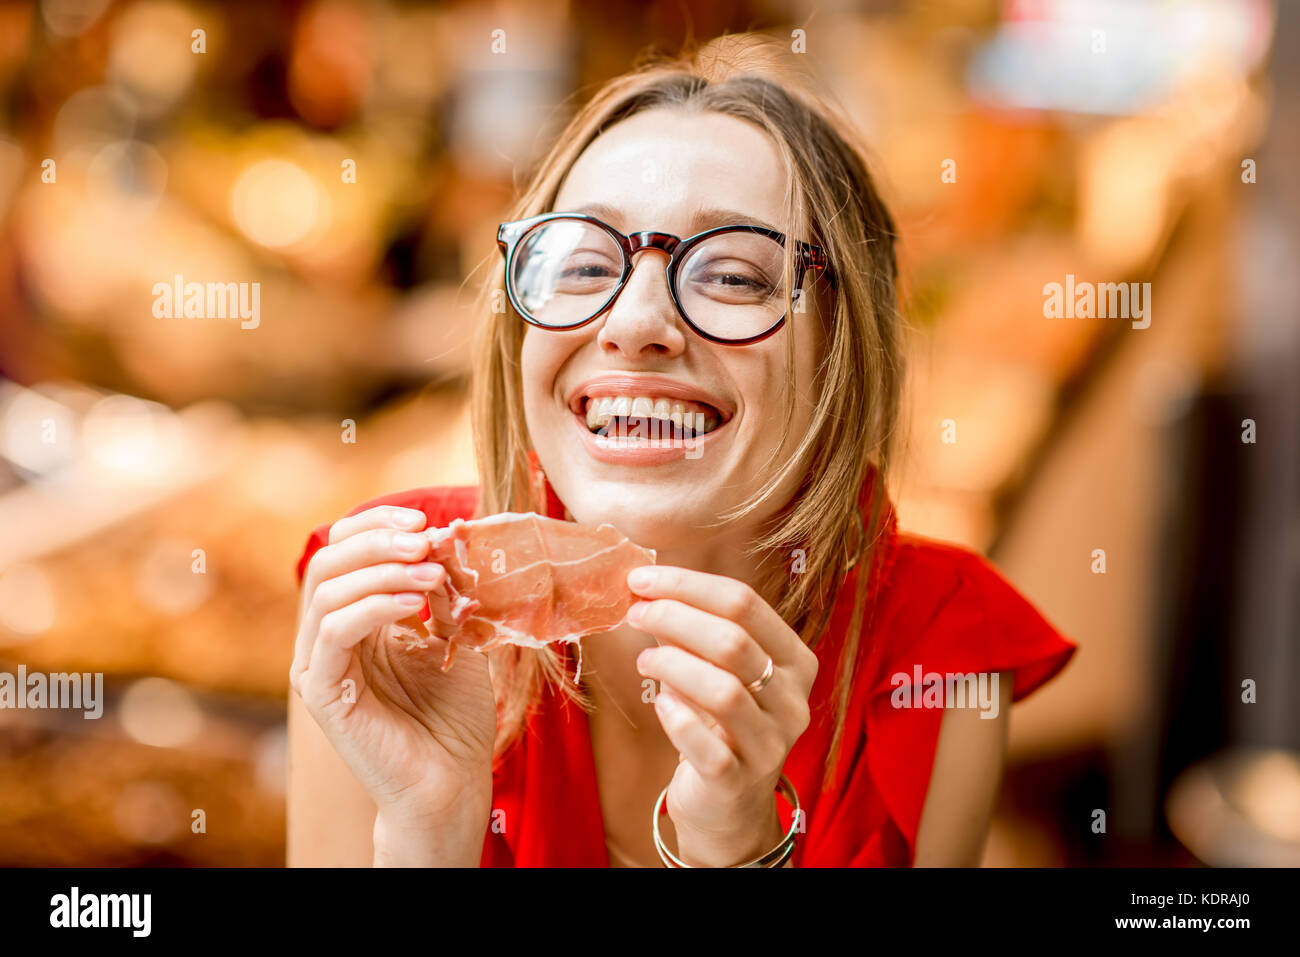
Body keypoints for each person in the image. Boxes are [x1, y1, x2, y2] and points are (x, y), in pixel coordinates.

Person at [288, 33, 1076, 868]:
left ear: (844, 346)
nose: (633, 324)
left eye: (733, 275)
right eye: (584, 263)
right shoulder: (389, 605)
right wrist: (426, 832)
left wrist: (736, 850)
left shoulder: (941, 644)